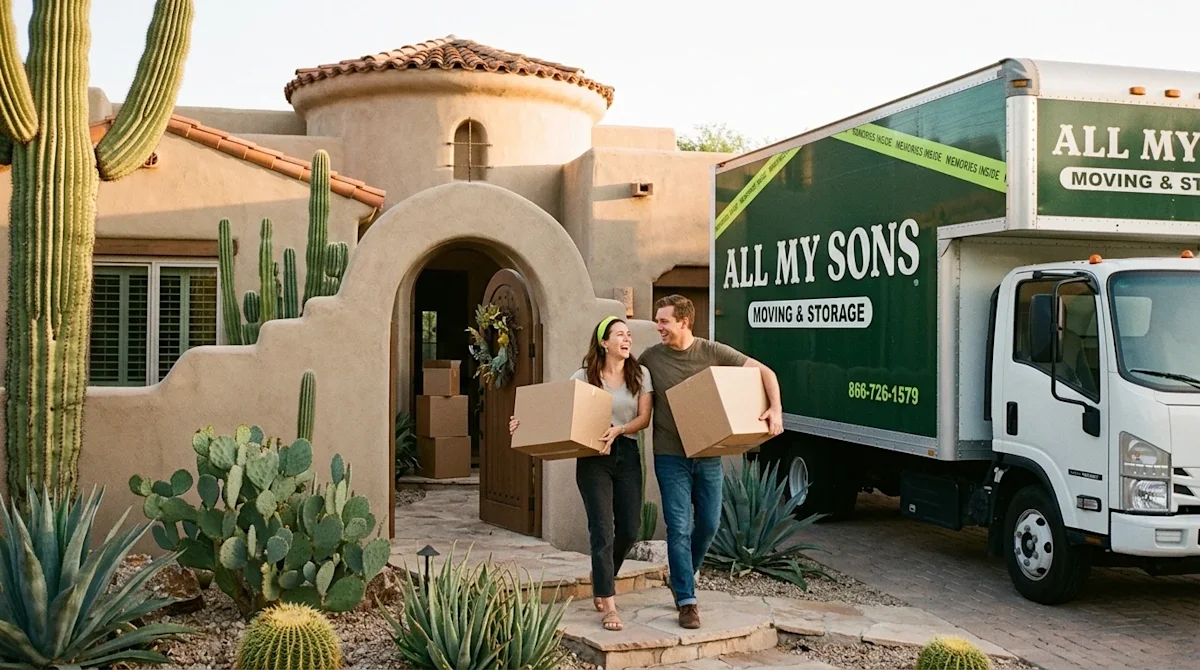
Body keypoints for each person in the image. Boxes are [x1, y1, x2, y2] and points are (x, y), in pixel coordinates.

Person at [639, 294, 783, 630]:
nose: (658, 326)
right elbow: (624, 380)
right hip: (670, 456)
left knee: (708, 525)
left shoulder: (712, 352)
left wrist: (775, 408)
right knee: (678, 526)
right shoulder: (650, 358)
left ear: (684, 322)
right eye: (657, 321)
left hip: (708, 456)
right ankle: (687, 600)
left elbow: (766, 373)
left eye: (664, 321)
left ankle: (682, 575)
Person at [509, 316, 652, 632]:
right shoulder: (584, 376)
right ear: (604, 342)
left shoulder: (640, 374)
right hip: (592, 457)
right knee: (602, 529)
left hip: (627, 453)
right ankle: (608, 603)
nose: (627, 339)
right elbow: (556, 410)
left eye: (629, 335)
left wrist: (620, 430)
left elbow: (644, 417)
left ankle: (604, 574)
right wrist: (523, 424)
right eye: (619, 335)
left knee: (629, 527)